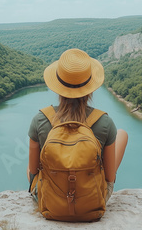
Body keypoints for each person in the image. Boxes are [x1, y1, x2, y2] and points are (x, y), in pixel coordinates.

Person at [27, 48, 128, 203]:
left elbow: (33, 172)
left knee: (30, 166)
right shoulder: (104, 122)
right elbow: (109, 177)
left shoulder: (40, 119)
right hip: (92, 201)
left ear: (58, 88)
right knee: (122, 134)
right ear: (90, 90)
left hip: (49, 201)